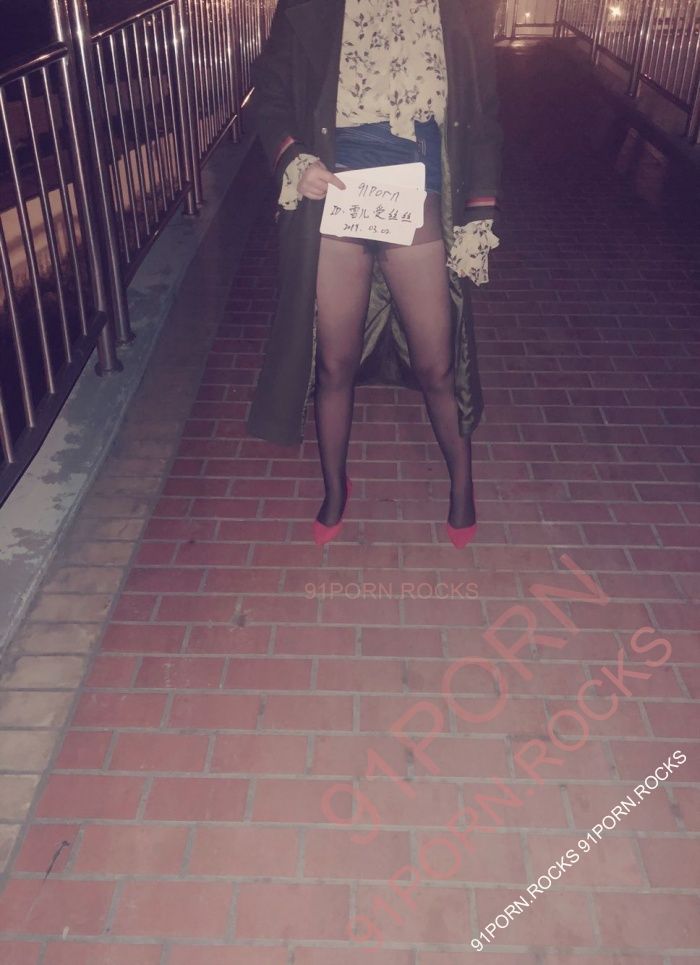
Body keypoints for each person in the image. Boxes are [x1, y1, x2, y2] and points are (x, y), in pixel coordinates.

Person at [246, 0, 503, 547]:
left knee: (436, 363)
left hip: (419, 182)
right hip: (338, 185)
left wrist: (479, 207)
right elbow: (270, 90)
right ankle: (334, 489)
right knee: (334, 361)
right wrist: (294, 158)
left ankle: (462, 487)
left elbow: (483, 114)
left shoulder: (464, 7)